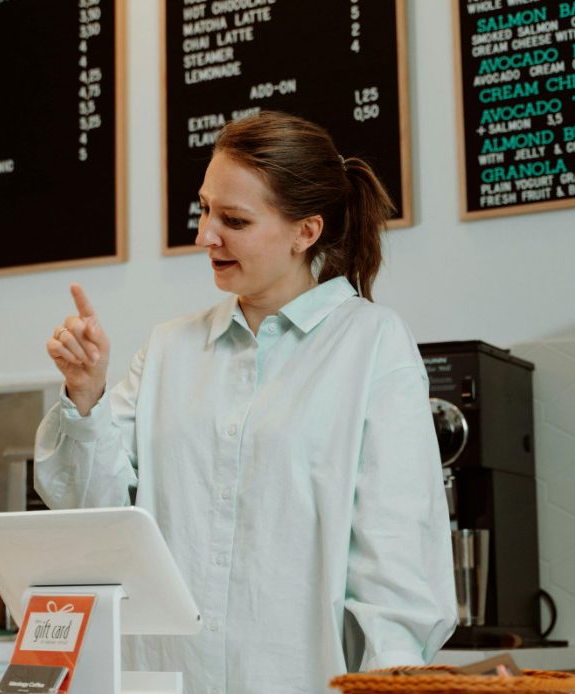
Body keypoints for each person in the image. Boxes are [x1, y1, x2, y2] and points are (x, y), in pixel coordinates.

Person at [36, 111, 456, 693]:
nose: (206, 235)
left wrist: (391, 680)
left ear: (305, 232)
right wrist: (85, 397)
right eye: (205, 209)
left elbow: (397, 554)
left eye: (234, 219)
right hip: (167, 679)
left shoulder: (371, 343)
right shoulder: (167, 348)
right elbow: (94, 516)